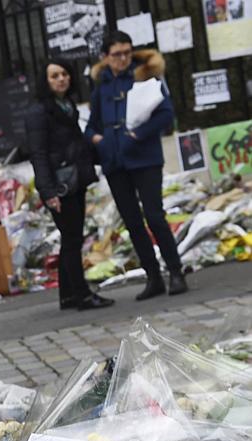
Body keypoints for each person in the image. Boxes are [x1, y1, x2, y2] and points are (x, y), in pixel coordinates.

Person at [87, 31, 187, 300]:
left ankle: (176, 272)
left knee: (154, 216)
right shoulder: (101, 88)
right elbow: (91, 126)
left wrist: (137, 134)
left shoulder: (145, 76)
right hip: (115, 162)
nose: (123, 59)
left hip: (145, 158)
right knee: (132, 221)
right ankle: (153, 277)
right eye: (117, 54)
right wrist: (100, 140)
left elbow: (166, 114)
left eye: (127, 52)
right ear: (105, 57)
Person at [27, 62, 114, 313]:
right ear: (45, 80)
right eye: (54, 75)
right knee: (73, 239)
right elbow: (38, 154)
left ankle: (68, 295)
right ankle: (83, 295)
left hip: (75, 179)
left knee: (71, 237)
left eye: (64, 74)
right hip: (60, 185)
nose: (61, 79)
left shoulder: (66, 105)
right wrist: (48, 192)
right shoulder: (39, 112)